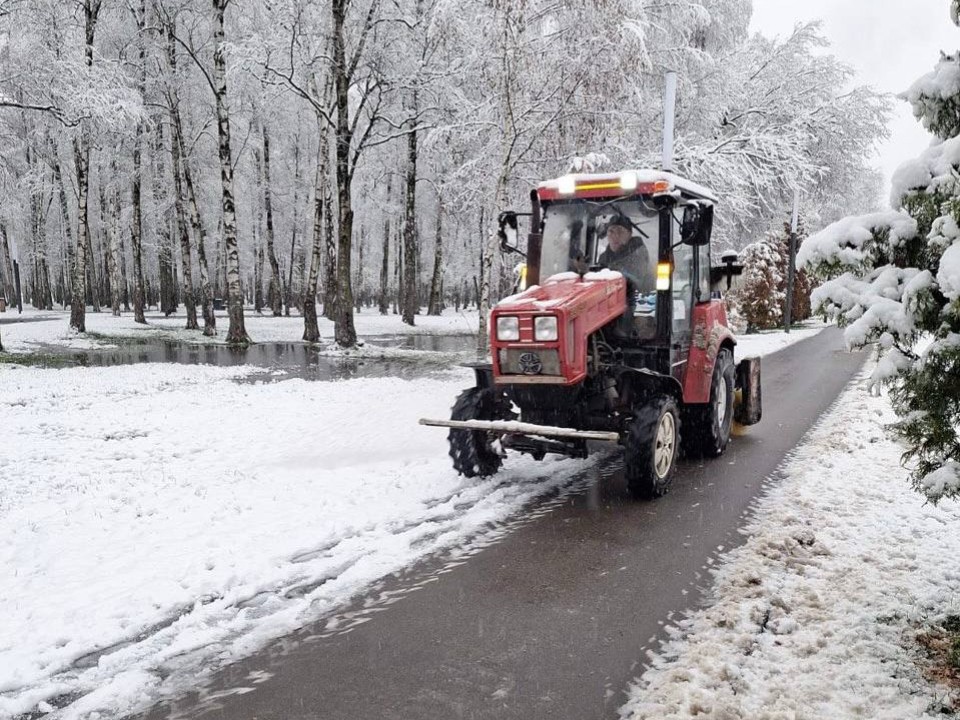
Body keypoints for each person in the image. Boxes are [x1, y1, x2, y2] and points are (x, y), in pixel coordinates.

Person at [598, 215, 654, 293]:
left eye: (620, 231)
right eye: (611, 231)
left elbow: (635, 282)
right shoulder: (603, 258)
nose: (615, 236)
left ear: (629, 234)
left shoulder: (638, 254)